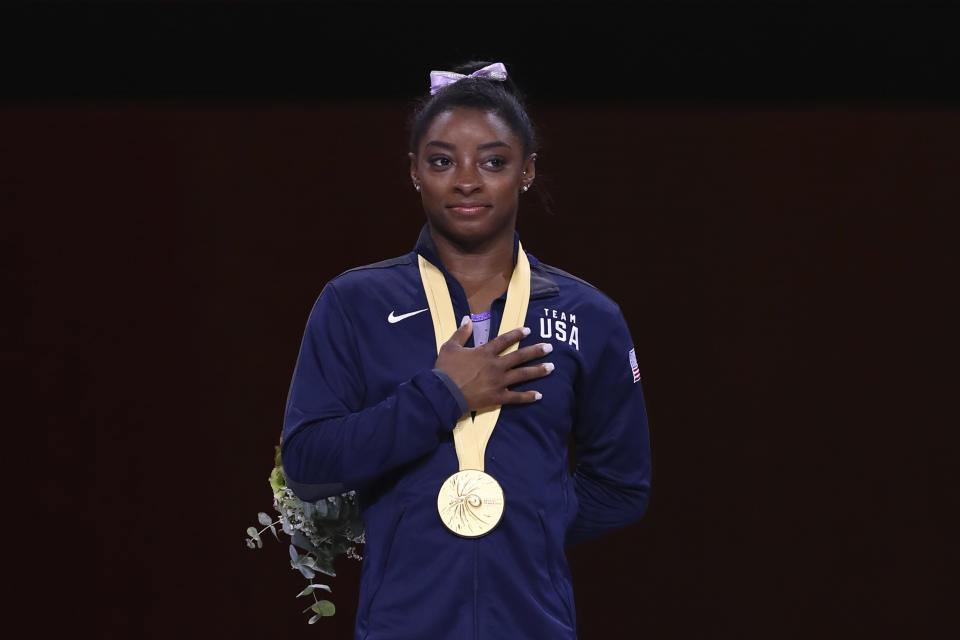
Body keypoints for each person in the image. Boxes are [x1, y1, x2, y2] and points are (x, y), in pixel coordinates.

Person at [280, 61, 652, 640]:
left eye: (494, 161)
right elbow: (306, 465)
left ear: (527, 171)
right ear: (414, 172)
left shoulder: (589, 316)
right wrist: (441, 395)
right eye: (441, 160)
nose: (467, 180)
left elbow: (622, 486)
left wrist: (524, 517)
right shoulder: (352, 302)